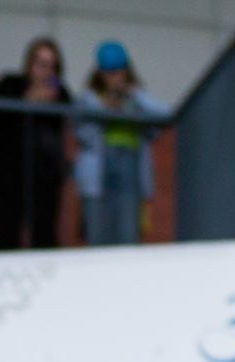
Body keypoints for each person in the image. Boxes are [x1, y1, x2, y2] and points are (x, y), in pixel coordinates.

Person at [0, 37, 70, 251]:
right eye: (41, 63)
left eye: (51, 65)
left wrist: (49, 103)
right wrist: (27, 101)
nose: (45, 71)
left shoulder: (59, 95)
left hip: (43, 181)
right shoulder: (10, 84)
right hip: (6, 178)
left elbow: (64, 116)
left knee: (44, 240)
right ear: (29, 64)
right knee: (5, 238)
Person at [75, 42, 169, 246]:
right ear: (100, 74)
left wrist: (134, 96)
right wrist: (105, 108)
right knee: (98, 238)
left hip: (130, 177)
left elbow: (165, 115)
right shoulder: (90, 99)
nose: (115, 78)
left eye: (119, 72)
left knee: (128, 238)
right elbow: (81, 132)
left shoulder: (137, 98)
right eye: (109, 73)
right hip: (98, 181)